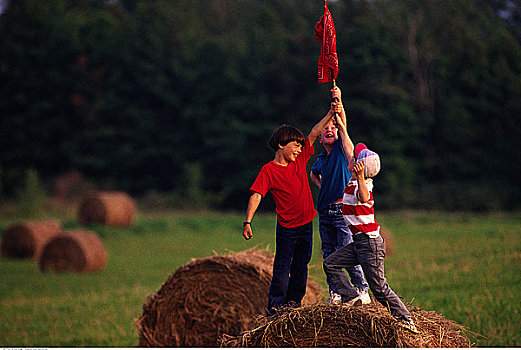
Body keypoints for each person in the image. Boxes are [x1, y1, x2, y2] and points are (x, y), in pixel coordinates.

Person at [242, 104, 336, 316]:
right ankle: (275, 309)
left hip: (306, 223)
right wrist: (248, 222)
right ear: (281, 143)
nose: (300, 150)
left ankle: (293, 305)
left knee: (301, 265)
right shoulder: (269, 170)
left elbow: (314, 132)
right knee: (282, 267)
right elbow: (256, 195)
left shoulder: (300, 161)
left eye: (301, 147)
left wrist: (331, 113)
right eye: (296, 145)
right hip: (286, 227)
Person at [322, 134, 419, 333]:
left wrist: (359, 177)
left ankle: (405, 319)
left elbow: (363, 196)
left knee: (379, 288)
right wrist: (340, 120)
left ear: (360, 167)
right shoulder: (353, 180)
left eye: (355, 160)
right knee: (330, 264)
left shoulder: (362, 185)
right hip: (359, 243)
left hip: (369, 243)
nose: (350, 159)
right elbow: (348, 148)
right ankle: (351, 297)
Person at [310, 86, 370, 305]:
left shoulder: (340, 152)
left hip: (340, 211)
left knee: (346, 252)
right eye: (325, 129)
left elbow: (342, 123)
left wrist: (339, 102)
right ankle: (336, 291)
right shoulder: (321, 160)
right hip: (324, 212)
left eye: (333, 128)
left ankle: (361, 289)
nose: (329, 130)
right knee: (328, 254)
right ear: (319, 139)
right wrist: (322, 184)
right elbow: (312, 173)